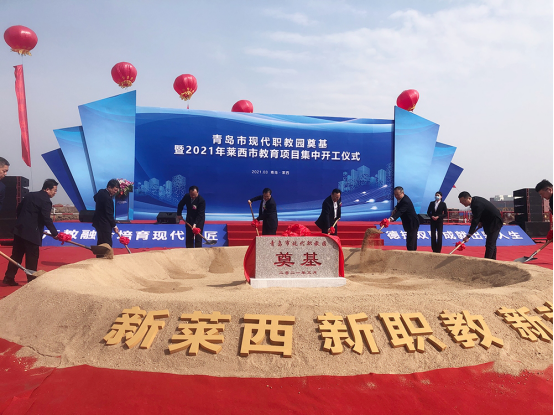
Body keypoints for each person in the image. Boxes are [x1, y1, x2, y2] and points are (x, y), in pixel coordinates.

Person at [2, 179, 59, 286]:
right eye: (54, 190)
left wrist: (22, 221)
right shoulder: (46, 200)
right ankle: (31, 281)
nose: (55, 193)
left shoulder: (29, 195)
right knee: (32, 258)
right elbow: (46, 218)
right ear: (47, 189)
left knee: (16, 256)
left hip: (19, 230)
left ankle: (8, 278)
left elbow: (18, 209)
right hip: (32, 234)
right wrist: (55, 233)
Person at [459, 191, 503, 260]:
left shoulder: (476, 204)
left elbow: (475, 221)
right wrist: (480, 222)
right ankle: (493, 261)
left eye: (464, 201)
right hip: (488, 221)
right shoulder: (474, 202)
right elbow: (480, 214)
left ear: (469, 198)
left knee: (490, 243)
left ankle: (486, 262)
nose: (463, 203)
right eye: (461, 202)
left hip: (495, 222)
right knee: (491, 243)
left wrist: (468, 235)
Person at [389, 186, 420, 251]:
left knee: (411, 242)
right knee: (409, 240)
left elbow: (400, 211)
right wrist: (395, 209)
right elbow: (398, 206)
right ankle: (411, 253)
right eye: (395, 194)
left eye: (397, 194)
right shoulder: (401, 199)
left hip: (412, 222)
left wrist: (391, 219)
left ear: (402, 193)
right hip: (408, 222)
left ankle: (412, 254)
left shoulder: (406, 201)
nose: (396, 196)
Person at [92, 179, 120, 249]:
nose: (115, 192)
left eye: (117, 190)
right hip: (104, 223)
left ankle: (100, 255)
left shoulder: (101, 191)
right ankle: (105, 255)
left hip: (98, 222)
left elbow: (95, 198)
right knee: (107, 243)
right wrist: (114, 226)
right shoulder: (107, 198)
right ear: (109, 187)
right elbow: (109, 214)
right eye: (115, 190)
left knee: (101, 242)